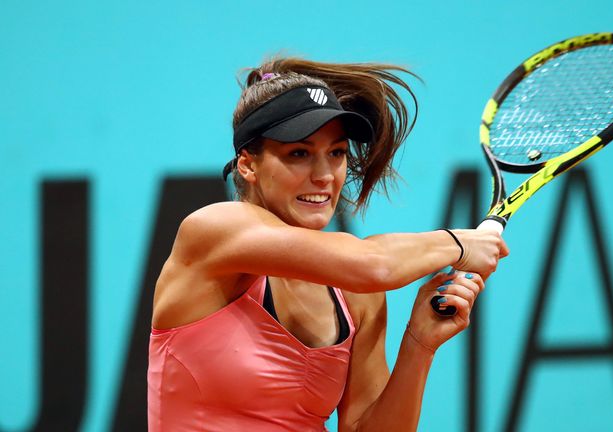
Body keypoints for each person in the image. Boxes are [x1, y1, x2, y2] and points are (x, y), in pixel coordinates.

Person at [147, 57, 508, 431]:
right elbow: (374, 265)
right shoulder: (213, 230)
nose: (323, 176)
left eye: (336, 153)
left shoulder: (355, 295)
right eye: (299, 154)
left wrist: (420, 344)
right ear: (248, 165)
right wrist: (460, 243)